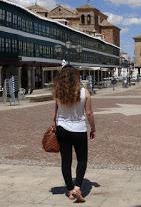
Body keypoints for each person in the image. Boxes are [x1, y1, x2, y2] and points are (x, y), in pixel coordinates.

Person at [52, 65, 96, 202]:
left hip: (62, 129)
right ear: (77, 76)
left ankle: (70, 190)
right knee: (82, 159)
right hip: (79, 129)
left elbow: (55, 112)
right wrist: (93, 128)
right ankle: (77, 187)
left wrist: (54, 124)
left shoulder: (58, 92)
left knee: (66, 160)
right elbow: (89, 113)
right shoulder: (84, 92)